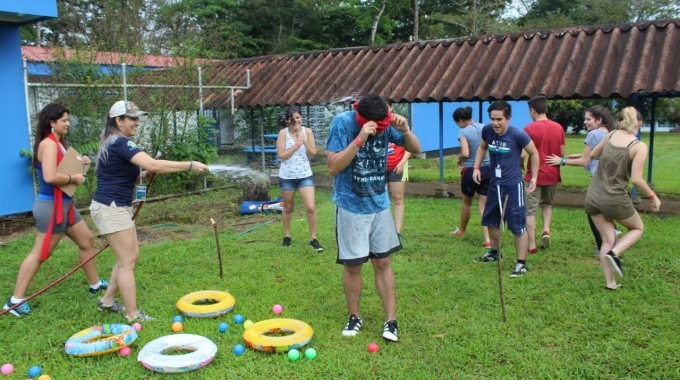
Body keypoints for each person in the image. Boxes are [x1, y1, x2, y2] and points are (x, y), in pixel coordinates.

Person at [90, 100, 208, 322]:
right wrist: (190, 164)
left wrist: (144, 175)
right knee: (126, 262)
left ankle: (106, 302)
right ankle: (133, 314)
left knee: (130, 256)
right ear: (119, 120)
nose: (137, 122)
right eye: (132, 118)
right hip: (111, 207)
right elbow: (153, 164)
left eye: (137, 117)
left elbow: (128, 173)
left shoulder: (115, 142)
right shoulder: (121, 143)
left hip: (116, 206)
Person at [326, 93, 420, 342]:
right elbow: (333, 166)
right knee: (353, 264)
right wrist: (360, 138)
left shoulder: (388, 122)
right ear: (361, 117)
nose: (381, 129)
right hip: (350, 205)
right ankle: (354, 316)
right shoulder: (343, 123)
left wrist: (406, 130)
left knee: (384, 262)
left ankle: (391, 321)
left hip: (379, 205)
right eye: (376, 125)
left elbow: (416, 149)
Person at [3, 102, 108, 317]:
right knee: (41, 253)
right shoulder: (49, 144)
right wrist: (74, 177)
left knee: (86, 240)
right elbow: (51, 177)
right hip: (51, 206)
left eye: (68, 120)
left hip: (65, 204)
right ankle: (14, 302)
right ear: (52, 122)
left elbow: (64, 170)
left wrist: (82, 165)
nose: (68, 124)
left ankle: (95, 284)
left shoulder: (58, 143)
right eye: (64, 120)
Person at [584, 107, 660, 290]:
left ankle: (610, 283)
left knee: (607, 239)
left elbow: (594, 154)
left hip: (593, 197)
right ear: (639, 124)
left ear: (619, 122)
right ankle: (615, 253)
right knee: (637, 228)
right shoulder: (638, 146)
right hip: (614, 199)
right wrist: (653, 197)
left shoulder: (611, 135)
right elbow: (636, 179)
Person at [473, 100, 539, 278]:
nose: (495, 123)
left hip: (513, 186)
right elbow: (482, 147)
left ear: (508, 118)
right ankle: (494, 251)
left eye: (499, 119)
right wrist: (476, 167)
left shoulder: (518, 135)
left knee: (518, 226)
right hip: (495, 185)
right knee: (490, 220)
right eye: (493, 118)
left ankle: (521, 264)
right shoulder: (487, 131)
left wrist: (534, 177)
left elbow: (534, 153)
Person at [546, 105, 614, 254]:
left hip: (598, 180)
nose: (585, 122)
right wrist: (573, 156)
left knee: (593, 212)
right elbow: (594, 155)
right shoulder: (609, 133)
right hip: (610, 179)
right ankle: (611, 238)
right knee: (603, 212)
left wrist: (561, 161)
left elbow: (585, 161)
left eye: (588, 119)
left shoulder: (593, 134)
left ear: (599, 120)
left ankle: (605, 246)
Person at [275, 106, 324, 251]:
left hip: (305, 175)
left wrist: (304, 141)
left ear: (301, 118)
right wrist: (296, 145)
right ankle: (287, 237)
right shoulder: (283, 133)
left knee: (311, 207)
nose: (296, 121)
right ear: (287, 120)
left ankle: (313, 239)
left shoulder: (307, 131)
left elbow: (313, 153)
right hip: (287, 176)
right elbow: (281, 155)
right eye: (292, 118)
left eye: (298, 118)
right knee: (288, 207)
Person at [522, 96, 565, 253]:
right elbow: (562, 153)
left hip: (533, 175)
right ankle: (546, 230)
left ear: (532, 110)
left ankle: (532, 244)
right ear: (545, 109)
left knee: (530, 210)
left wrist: (521, 164)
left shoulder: (529, 129)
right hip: (552, 173)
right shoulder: (558, 128)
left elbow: (522, 154)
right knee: (547, 204)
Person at [450, 106, 492, 247]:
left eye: (457, 123)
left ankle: (461, 230)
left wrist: (459, 158)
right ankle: (488, 239)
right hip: (487, 168)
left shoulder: (463, 132)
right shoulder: (485, 127)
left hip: (470, 170)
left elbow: (466, 153)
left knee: (467, 202)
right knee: (483, 204)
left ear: (461, 120)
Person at [386, 103, 412, 240]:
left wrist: (402, 163)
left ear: (391, 107)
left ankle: (397, 233)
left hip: (398, 166)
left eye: (386, 106)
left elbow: (410, 145)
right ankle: (382, 230)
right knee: (381, 199)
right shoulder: (374, 124)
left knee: (398, 198)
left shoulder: (399, 122)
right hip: (379, 167)